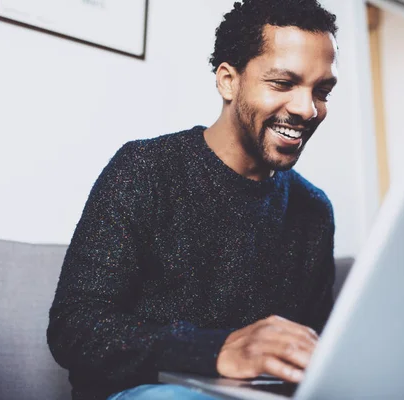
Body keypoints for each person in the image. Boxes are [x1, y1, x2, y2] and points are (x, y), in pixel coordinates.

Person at [47, 0, 339, 399]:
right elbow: (74, 328)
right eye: (283, 83)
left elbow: (309, 352)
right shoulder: (145, 169)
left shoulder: (313, 210)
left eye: (321, 91)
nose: (307, 109)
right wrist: (216, 350)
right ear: (227, 81)